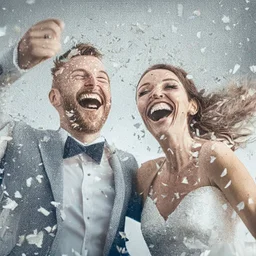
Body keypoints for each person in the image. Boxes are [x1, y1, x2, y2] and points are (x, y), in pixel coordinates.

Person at [0, 19, 141, 256]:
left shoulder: (128, 166)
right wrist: (13, 62)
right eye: (79, 75)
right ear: (55, 98)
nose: (93, 83)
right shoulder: (16, 138)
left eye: (103, 78)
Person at [135, 64, 256, 255]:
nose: (155, 94)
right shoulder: (145, 174)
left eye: (169, 86)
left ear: (192, 106)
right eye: (144, 92)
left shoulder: (215, 156)